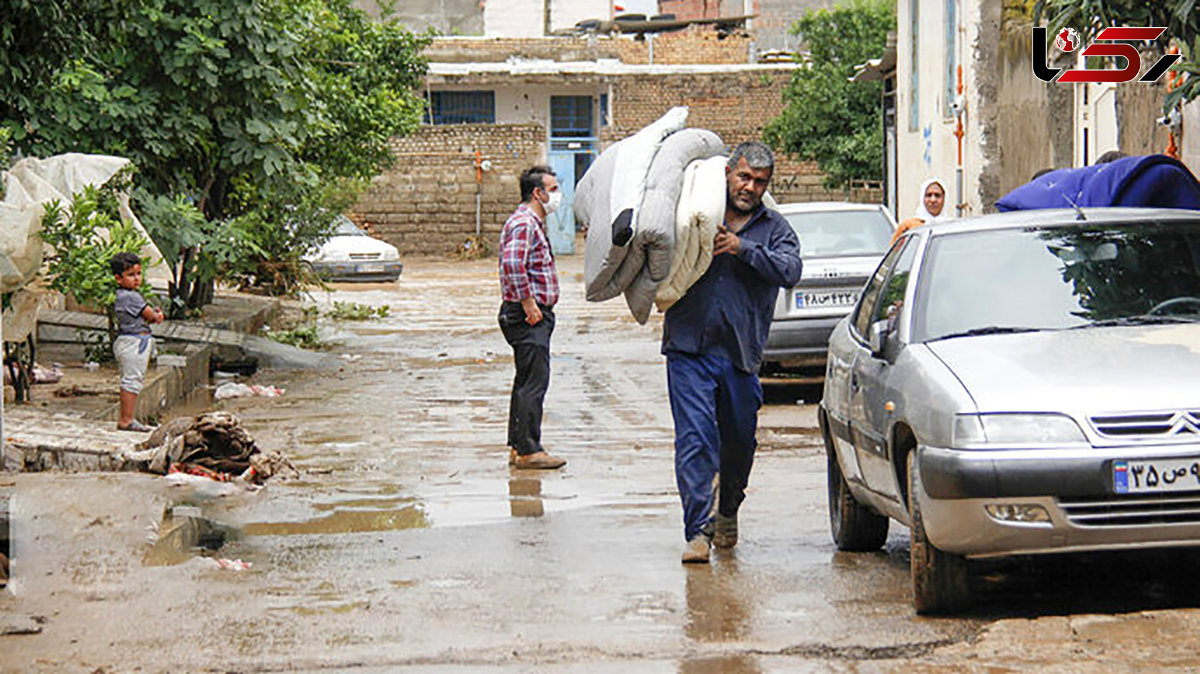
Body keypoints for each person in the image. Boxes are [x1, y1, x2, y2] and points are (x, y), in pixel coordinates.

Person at [662, 142, 802, 563]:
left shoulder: (775, 228)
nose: (750, 187)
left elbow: (791, 271)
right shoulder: (693, 214)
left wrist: (743, 250)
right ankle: (697, 532)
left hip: (740, 355)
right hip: (688, 348)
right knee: (695, 438)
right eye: (744, 177)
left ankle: (728, 509)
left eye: (759, 181)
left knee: (739, 443)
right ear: (727, 172)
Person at [498, 165, 568, 470]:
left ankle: (518, 445)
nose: (557, 196)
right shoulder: (525, 223)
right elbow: (513, 264)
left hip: (532, 312)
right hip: (529, 314)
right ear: (537, 193)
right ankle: (529, 450)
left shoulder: (531, 223)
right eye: (553, 190)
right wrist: (528, 303)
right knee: (534, 383)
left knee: (526, 380)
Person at [111, 252, 164, 432]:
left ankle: (127, 418)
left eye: (138, 274)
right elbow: (151, 316)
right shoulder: (132, 297)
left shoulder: (123, 296)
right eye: (131, 275)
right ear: (118, 278)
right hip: (134, 343)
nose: (136, 279)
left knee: (130, 380)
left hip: (128, 341)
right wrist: (158, 316)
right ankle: (127, 420)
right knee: (131, 382)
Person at [891, 177, 946, 243]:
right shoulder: (908, 226)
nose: (933, 200)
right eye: (928, 195)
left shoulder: (950, 227)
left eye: (937, 195)